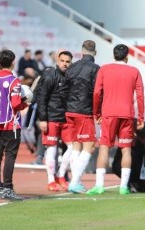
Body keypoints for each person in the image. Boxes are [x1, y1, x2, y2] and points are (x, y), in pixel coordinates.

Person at [87, 44, 145, 195]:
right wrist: (141, 117)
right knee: (126, 149)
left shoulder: (104, 69)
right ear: (127, 56)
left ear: (114, 55)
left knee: (104, 147)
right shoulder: (134, 71)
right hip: (127, 114)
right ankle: (123, 186)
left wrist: (96, 113)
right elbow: (140, 95)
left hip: (109, 114)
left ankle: (99, 185)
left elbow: (96, 93)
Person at [0, 49, 27, 201]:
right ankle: (8, 188)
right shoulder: (14, 81)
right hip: (10, 123)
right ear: (13, 62)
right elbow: (16, 104)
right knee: (10, 155)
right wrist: (25, 103)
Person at [65, 40, 100, 193]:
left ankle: (76, 181)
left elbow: (65, 88)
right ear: (95, 53)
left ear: (82, 51)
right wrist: (97, 111)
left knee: (76, 146)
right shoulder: (95, 68)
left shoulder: (72, 67)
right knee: (89, 146)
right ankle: (74, 182)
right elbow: (97, 92)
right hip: (84, 111)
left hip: (69, 110)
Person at [37, 50, 74, 191]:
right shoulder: (49, 76)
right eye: (62, 61)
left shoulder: (71, 77)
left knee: (72, 147)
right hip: (51, 118)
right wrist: (43, 119)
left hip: (65, 119)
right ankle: (51, 180)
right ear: (57, 61)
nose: (65, 64)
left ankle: (60, 175)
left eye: (67, 62)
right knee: (51, 149)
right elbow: (42, 98)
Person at [112, 121, 145, 193]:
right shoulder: (129, 139)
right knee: (131, 157)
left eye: (144, 138)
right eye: (141, 138)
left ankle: (137, 183)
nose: (143, 140)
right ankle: (129, 182)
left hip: (141, 167)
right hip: (122, 166)